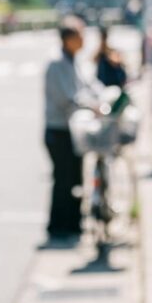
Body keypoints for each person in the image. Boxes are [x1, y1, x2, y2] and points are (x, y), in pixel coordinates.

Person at [43, 15, 98, 244]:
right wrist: (92, 105)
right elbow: (67, 97)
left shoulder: (75, 59)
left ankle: (74, 223)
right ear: (69, 38)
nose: (84, 39)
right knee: (63, 179)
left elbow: (89, 87)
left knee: (75, 176)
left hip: (75, 128)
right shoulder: (56, 63)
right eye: (80, 35)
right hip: (59, 130)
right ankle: (58, 226)